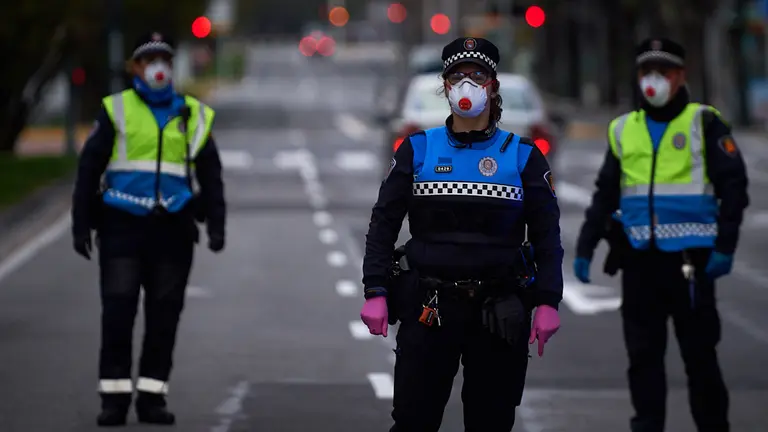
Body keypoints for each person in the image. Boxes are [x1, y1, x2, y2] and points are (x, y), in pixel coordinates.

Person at [359, 37, 563, 431]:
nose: (466, 84)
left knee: (491, 423)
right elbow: (383, 223)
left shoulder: (522, 156)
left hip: (499, 311)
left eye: (477, 75)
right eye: (457, 76)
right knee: (413, 422)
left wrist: (548, 301)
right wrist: (375, 292)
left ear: (493, 85)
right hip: (428, 308)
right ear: (445, 86)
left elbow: (547, 237)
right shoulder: (418, 149)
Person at [573, 38, 749, 432]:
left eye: (663, 72)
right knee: (642, 358)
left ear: (680, 76)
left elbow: (734, 187)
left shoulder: (704, 123)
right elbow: (605, 193)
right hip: (639, 263)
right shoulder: (624, 129)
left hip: (692, 263)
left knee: (700, 358)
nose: (653, 81)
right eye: (646, 72)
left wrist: (726, 246)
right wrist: (586, 245)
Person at [71, 31, 226, 426]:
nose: (158, 66)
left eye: (164, 59)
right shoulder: (116, 109)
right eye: (148, 59)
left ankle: (153, 398)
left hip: (173, 231)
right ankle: (114, 400)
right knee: (118, 313)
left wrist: (216, 224)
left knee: (164, 317)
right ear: (135, 68)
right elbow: (89, 168)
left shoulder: (192, 114)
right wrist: (81, 222)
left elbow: (211, 175)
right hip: (122, 226)